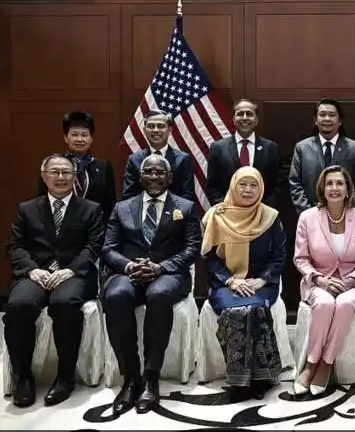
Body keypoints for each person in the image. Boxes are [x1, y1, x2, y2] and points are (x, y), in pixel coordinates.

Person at [101, 154, 201, 415]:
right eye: (149, 172)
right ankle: (131, 377)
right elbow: (108, 249)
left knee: (159, 294)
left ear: (169, 177)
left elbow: (193, 248)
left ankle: (151, 377)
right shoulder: (122, 207)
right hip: (130, 272)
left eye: (160, 173)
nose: (154, 177)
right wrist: (129, 266)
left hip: (170, 272)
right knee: (115, 296)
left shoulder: (186, 207)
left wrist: (161, 267)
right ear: (140, 176)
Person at [5, 154, 104, 408]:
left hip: (73, 274)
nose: (61, 177)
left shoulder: (90, 209)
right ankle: (23, 376)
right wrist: (31, 270)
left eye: (66, 172)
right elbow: (15, 246)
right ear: (44, 176)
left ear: (75, 177)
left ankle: (65, 377)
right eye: (55, 172)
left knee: (65, 303)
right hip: (36, 273)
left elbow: (93, 247)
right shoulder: (27, 209)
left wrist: (70, 270)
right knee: (19, 306)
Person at [201, 167, 287, 400]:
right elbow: (209, 258)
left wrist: (262, 279)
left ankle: (261, 378)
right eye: (243, 184)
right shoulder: (217, 215)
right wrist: (231, 280)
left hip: (261, 283)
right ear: (233, 186)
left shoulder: (270, 217)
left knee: (256, 308)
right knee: (238, 310)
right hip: (226, 284)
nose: (248, 190)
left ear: (261, 189)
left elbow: (279, 256)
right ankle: (240, 380)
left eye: (254, 185)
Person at [293, 166, 355, 396]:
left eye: (340, 183)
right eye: (329, 183)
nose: (334, 188)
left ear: (348, 189)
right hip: (319, 281)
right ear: (322, 188)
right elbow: (301, 259)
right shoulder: (308, 218)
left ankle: (326, 363)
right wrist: (320, 280)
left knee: (345, 304)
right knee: (325, 304)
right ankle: (311, 363)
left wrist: (352, 279)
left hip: (353, 282)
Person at [289, 99, 355, 215]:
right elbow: (295, 184)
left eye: (332, 115)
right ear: (315, 120)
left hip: (345, 216)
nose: (327, 118)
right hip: (311, 215)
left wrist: (346, 210)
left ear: (340, 121)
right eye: (322, 115)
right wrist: (309, 214)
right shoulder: (302, 148)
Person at [37, 111, 116, 223]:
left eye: (84, 135)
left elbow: (109, 205)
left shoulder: (104, 167)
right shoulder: (52, 165)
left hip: (95, 230)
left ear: (91, 138)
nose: (79, 139)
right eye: (74, 135)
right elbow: (42, 201)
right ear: (66, 138)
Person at [206, 99, 281, 207]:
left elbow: (278, 185)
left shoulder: (271, 148)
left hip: (262, 213)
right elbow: (212, 186)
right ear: (233, 119)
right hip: (228, 213)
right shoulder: (218, 148)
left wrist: (263, 209)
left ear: (256, 120)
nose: (245, 117)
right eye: (240, 114)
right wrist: (226, 208)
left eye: (249, 114)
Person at [122, 110, 195, 201]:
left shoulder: (183, 159)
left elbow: (188, 195)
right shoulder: (134, 159)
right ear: (144, 130)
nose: (156, 130)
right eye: (151, 126)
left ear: (169, 130)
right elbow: (129, 195)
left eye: (160, 126)